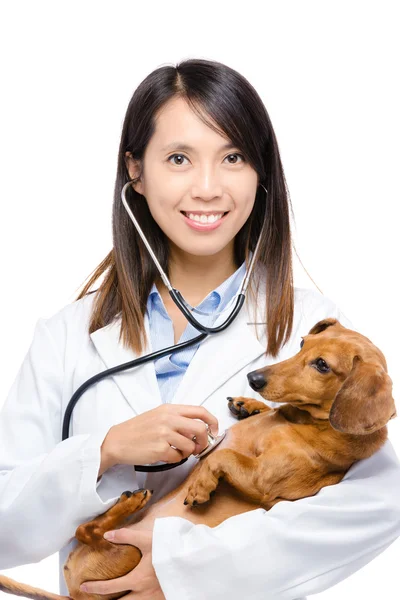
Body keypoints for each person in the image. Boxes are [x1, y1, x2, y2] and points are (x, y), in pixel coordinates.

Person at [0, 58, 399, 600]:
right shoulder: (65, 337)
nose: (208, 187)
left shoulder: (312, 329)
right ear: (136, 172)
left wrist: (188, 572)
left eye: (232, 157)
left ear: (261, 175)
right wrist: (105, 450)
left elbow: (377, 502)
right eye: (179, 158)